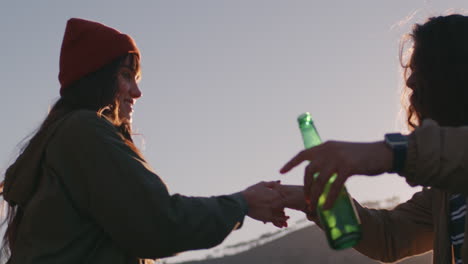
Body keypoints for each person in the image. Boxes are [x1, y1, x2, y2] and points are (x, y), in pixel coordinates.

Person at [0, 18, 288, 263]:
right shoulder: (83, 130)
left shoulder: (63, 141)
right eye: (126, 75)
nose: (137, 92)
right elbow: (159, 224)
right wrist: (241, 204)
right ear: (95, 79)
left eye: (136, 78)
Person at [279, 14, 468, 264]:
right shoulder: (444, 193)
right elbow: (390, 237)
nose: (410, 81)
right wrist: (312, 201)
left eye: (423, 67)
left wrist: (391, 152)